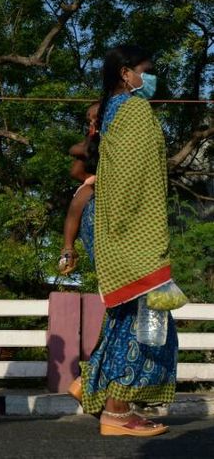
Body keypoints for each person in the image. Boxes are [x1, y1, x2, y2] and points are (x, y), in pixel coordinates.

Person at [73, 45, 176, 437]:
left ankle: (94, 384)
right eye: (146, 70)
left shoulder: (113, 111)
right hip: (131, 229)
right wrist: (142, 237)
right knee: (149, 319)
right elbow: (136, 181)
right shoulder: (133, 110)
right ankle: (117, 411)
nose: (150, 78)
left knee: (126, 316)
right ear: (125, 74)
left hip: (114, 225)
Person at [58, 103, 99, 274]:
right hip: (96, 181)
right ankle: (68, 248)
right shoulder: (91, 139)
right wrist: (90, 178)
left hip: (114, 178)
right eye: (89, 119)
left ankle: (68, 248)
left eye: (95, 118)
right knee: (79, 200)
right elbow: (75, 166)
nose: (92, 122)